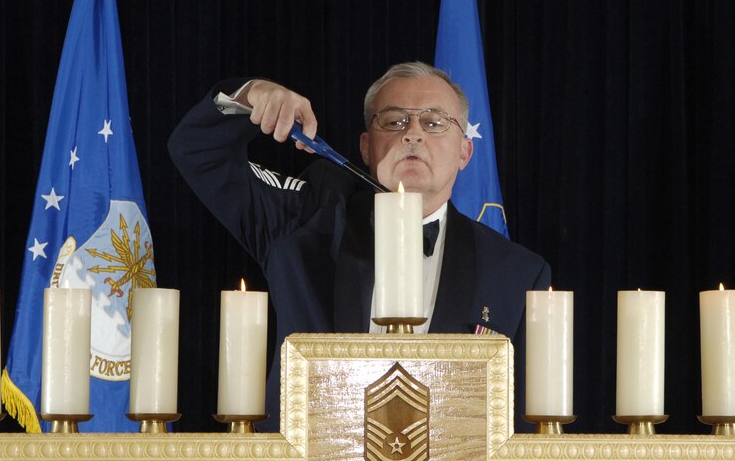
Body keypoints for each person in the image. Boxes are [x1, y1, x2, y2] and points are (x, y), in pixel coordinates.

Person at [168, 62, 550, 431]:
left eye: (434, 122)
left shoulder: (517, 272)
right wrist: (251, 95)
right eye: (394, 120)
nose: (412, 133)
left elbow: (520, 431)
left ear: (465, 152)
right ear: (366, 147)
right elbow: (198, 153)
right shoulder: (303, 225)